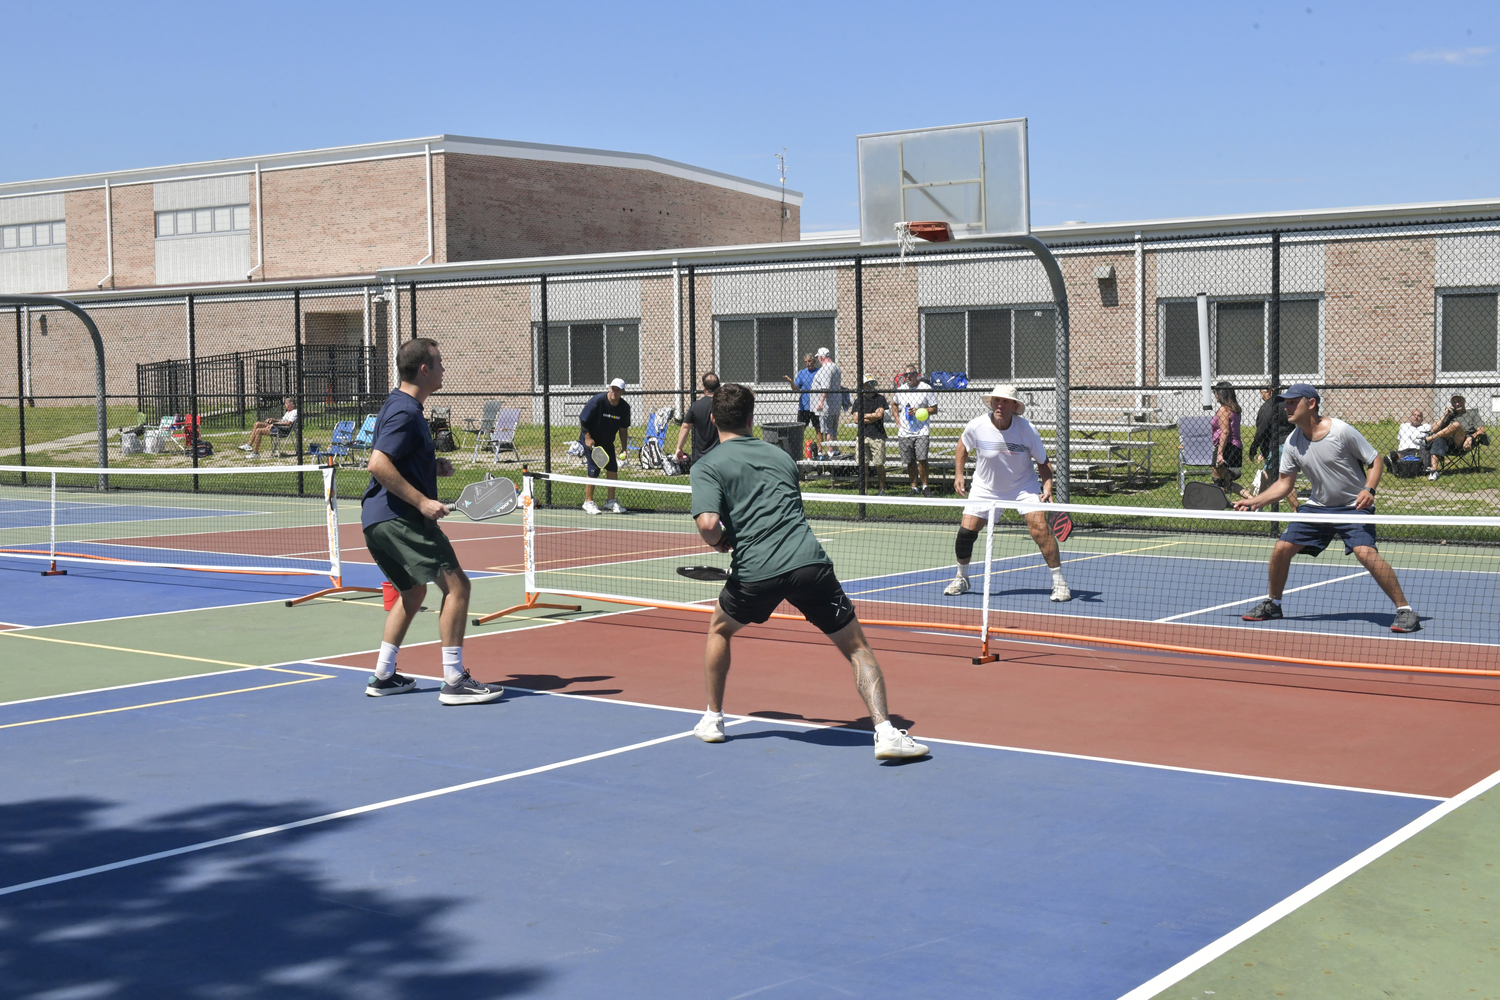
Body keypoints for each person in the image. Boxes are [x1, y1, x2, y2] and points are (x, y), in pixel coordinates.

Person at [688, 383, 929, 761]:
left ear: (714, 419)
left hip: (755, 571)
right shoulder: (781, 456)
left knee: (720, 629)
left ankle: (713, 720)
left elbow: (707, 523)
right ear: (752, 418)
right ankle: (885, 731)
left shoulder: (707, 465)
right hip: (809, 564)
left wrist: (719, 541)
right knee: (856, 648)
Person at [360, 338, 503, 704]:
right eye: (439, 363)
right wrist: (423, 501)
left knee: (412, 593)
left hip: (377, 520)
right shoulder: (406, 412)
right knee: (458, 588)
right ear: (424, 369)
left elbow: (396, 458)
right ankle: (455, 680)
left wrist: (430, 467)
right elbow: (378, 463)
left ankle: (383, 674)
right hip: (400, 519)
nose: (444, 369)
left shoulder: (399, 405)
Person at [1234, 384, 1420, 634]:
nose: (1286, 407)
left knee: (1365, 554)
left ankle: (1405, 611)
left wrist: (1369, 489)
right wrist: (1254, 501)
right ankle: (1273, 604)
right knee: (1281, 549)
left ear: (1310, 403)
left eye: (1292, 402)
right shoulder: (1292, 442)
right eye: (1285, 403)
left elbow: (1374, 460)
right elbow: (1284, 484)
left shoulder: (1341, 431)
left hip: (1353, 506)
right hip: (1318, 508)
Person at [945, 384, 1070, 602]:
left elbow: (1043, 462)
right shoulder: (977, 426)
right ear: (992, 403)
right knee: (965, 534)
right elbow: (962, 447)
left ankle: (1060, 584)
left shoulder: (1027, 429)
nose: (999, 405)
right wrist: (959, 475)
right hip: (985, 487)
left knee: (1040, 529)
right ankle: (962, 578)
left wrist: (1048, 484)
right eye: (996, 401)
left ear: (1014, 406)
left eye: (1005, 402)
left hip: (1022, 486)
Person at [579, 377, 632, 515]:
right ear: (609, 388)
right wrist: (588, 438)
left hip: (607, 442)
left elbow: (623, 429)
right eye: (612, 388)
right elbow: (583, 419)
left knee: (612, 469)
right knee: (593, 470)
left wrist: (624, 448)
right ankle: (588, 502)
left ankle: (610, 501)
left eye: (617, 389)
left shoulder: (625, 408)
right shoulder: (598, 401)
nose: (614, 391)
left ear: (623, 392)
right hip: (591, 440)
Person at [1245, 385, 1299, 511]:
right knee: (1266, 474)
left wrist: (1253, 448)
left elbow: (1262, 430)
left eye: (1262, 391)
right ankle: (1258, 507)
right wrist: (1264, 451)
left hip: (1278, 446)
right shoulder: (1286, 404)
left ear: (1268, 391)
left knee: (1285, 481)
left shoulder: (1268, 406)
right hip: (1289, 442)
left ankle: (1297, 512)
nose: (1261, 394)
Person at [894, 364, 939, 496]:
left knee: (922, 459)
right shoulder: (901, 390)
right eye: (905, 375)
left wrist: (921, 410)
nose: (908, 377)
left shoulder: (926, 389)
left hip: (921, 431)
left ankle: (925, 486)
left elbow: (934, 409)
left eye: (911, 374)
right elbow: (894, 404)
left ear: (916, 374)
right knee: (909, 462)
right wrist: (898, 421)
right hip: (905, 431)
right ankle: (914, 487)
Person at [1425, 394, 1488, 481]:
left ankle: (1428, 439)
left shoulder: (1472, 414)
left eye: (1459, 401)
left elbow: (1481, 430)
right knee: (1438, 440)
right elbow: (1433, 430)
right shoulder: (1450, 415)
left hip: (1462, 442)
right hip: (1448, 444)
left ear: (1464, 401)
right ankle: (1434, 472)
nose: (1457, 404)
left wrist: (1471, 438)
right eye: (1454, 402)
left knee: (1456, 425)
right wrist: (1445, 415)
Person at [674, 372, 721, 470]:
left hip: (700, 459)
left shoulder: (696, 406)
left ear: (704, 389)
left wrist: (679, 448)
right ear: (719, 388)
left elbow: (685, 427)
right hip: (720, 457)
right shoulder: (724, 405)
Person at [852, 376, 888, 493]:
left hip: (877, 436)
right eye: (868, 383)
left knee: (879, 465)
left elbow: (879, 415)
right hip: (862, 436)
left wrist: (864, 416)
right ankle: (864, 490)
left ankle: (882, 489)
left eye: (873, 383)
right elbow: (856, 419)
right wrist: (872, 416)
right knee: (863, 465)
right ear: (863, 386)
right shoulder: (858, 401)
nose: (872, 385)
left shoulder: (880, 399)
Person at [809, 347, 844, 458]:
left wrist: (820, 402)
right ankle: (836, 450)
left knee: (828, 430)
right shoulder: (835, 367)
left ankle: (830, 452)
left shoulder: (826, 369)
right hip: (835, 404)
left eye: (818, 357)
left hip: (828, 405)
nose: (818, 359)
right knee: (833, 429)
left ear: (821, 357)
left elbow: (826, 387)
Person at [782, 354, 820, 453]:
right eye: (806, 362)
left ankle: (819, 451)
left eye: (810, 361)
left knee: (818, 428)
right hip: (804, 407)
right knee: (800, 429)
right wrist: (791, 382)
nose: (808, 364)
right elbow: (796, 388)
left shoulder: (819, 372)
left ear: (814, 361)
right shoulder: (801, 373)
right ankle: (797, 450)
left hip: (816, 406)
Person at [1211, 381, 1244, 493]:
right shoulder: (1235, 409)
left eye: (1216, 393)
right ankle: (1253, 502)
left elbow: (1225, 432)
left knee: (1217, 481)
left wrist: (1219, 453)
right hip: (1235, 446)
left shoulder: (1224, 410)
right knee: (1227, 485)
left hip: (1226, 447)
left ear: (1221, 394)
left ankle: (1232, 473)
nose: (1215, 395)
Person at [1395, 409, 1431, 477]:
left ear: (1422, 419)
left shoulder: (1426, 427)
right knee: (1398, 454)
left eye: (1419, 416)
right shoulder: (1403, 426)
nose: (1416, 417)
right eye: (1414, 415)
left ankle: (1394, 464)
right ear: (1410, 417)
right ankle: (1395, 461)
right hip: (1403, 451)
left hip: (1417, 450)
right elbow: (1400, 439)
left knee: (1424, 453)